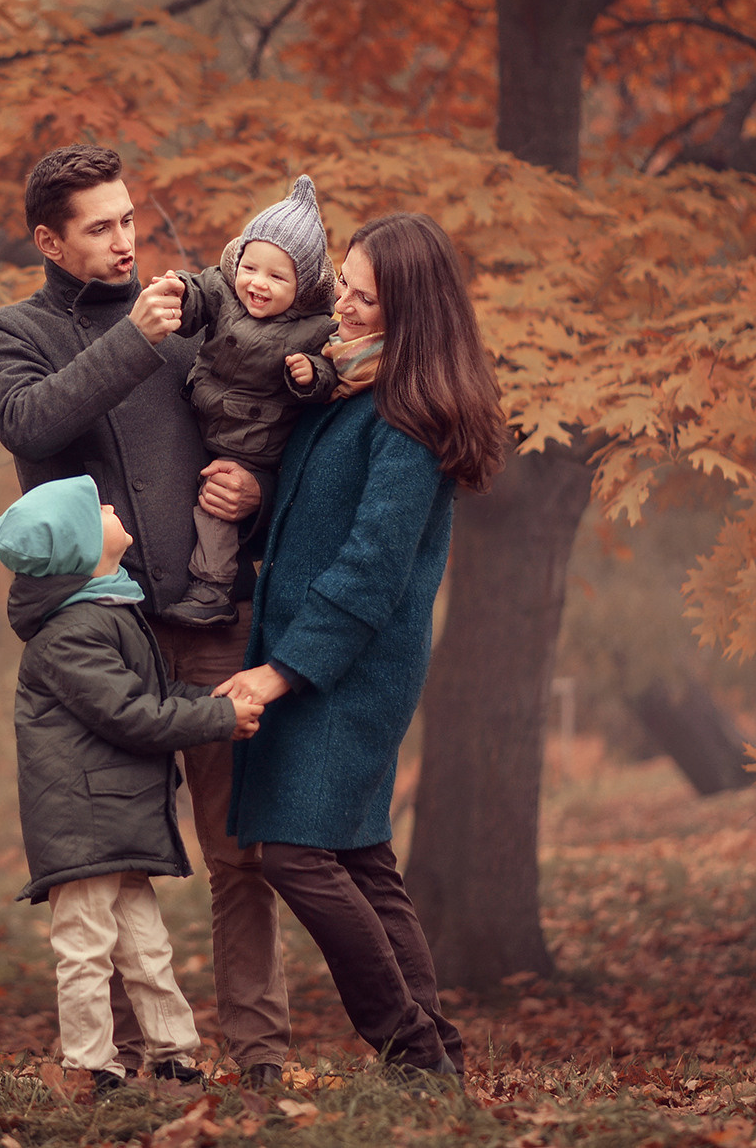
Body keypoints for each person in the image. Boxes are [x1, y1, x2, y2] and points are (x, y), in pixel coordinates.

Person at [0, 144, 293, 1088]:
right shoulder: (12, 331)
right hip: (95, 628)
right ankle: (114, 1057)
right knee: (105, 854)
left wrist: (257, 492)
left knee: (239, 849)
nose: (125, 242)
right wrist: (134, 341)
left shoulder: (201, 322)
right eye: (100, 227)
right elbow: (29, 424)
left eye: (129, 220)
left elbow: (255, 428)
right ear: (49, 240)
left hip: (208, 618)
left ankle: (261, 1057)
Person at [216, 212, 509, 1081]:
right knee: (359, 858)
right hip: (321, 655)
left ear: (410, 312)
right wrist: (252, 501)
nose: (338, 304)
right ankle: (435, 1063)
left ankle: (410, 1047)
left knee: (297, 854)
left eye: (362, 296)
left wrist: (278, 672)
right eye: (341, 283)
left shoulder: (407, 418)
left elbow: (369, 569)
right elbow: (314, 521)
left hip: (349, 669)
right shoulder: (345, 389)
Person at [0, 475, 261, 1097]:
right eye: (98, 509)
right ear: (81, 546)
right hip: (83, 823)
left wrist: (218, 698)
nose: (112, 505)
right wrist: (220, 719)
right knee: (85, 949)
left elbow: (154, 697)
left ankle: (174, 1054)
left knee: (146, 947)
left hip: (115, 816)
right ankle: (92, 1064)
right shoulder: (70, 633)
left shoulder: (106, 610)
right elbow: (130, 715)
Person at [158, 175, 340, 629]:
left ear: (304, 286)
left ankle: (213, 590)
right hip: (206, 407)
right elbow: (201, 296)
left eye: (278, 277)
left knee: (216, 506)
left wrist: (310, 375)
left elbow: (330, 375)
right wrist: (182, 291)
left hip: (252, 438)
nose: (258, 284)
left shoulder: (314, 328)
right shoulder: (224, 288)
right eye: (251, 268)